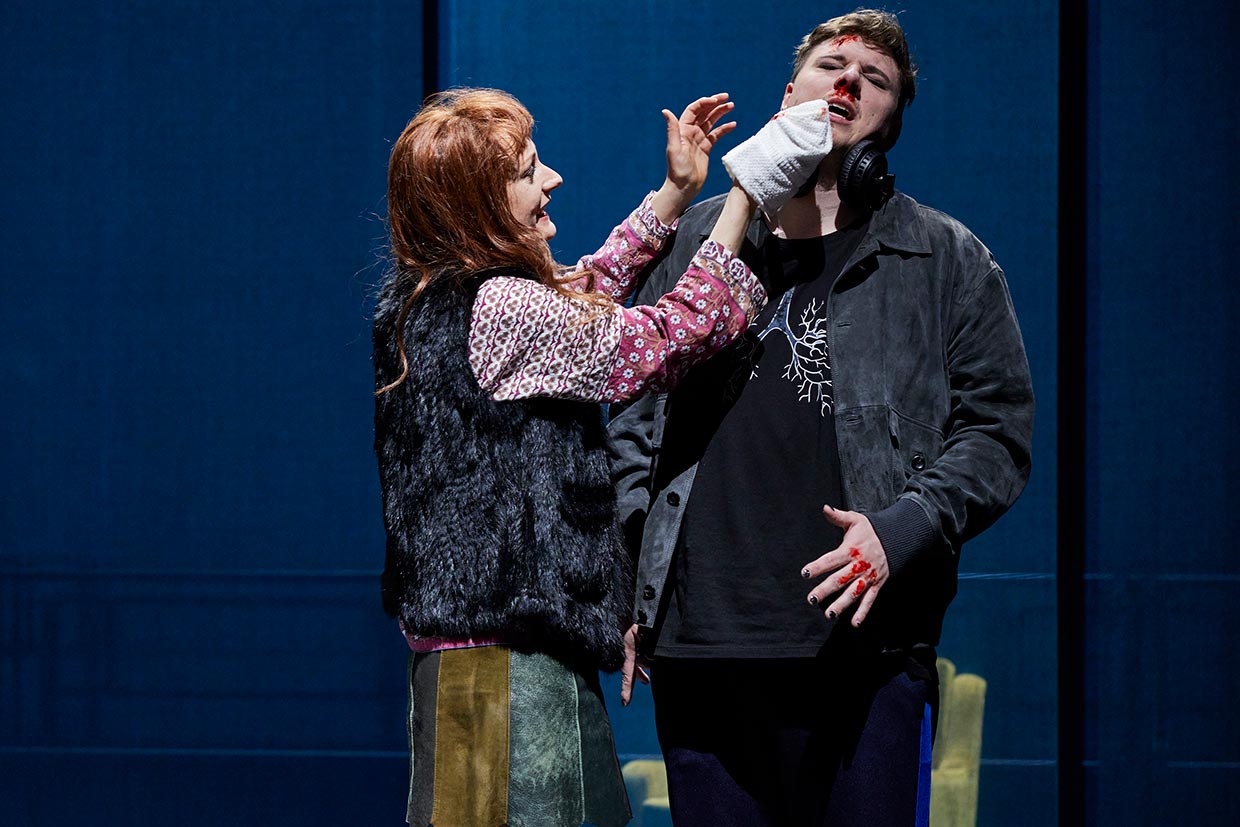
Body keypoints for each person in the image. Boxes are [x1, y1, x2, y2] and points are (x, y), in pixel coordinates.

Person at [609, 10, 1035, 826]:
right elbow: (634, 410)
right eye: (831, 65)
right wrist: (633, 577)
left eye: (874, 80)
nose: (847, 82)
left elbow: (997, 434)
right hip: (703, 650)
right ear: (787, 94)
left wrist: (901, 528)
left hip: (864, 655)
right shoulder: (700, 239)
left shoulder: (945, 259)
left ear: (890, 122)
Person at [372, 87, 827, 826]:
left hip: (494, 663)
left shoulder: (437, 298)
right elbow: (665, 338)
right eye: (527, 171)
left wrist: (675, 193)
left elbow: (579, 300)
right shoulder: (500, 308)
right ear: (476, 203)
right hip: (504, 680)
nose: (552, 179)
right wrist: (747, 195)